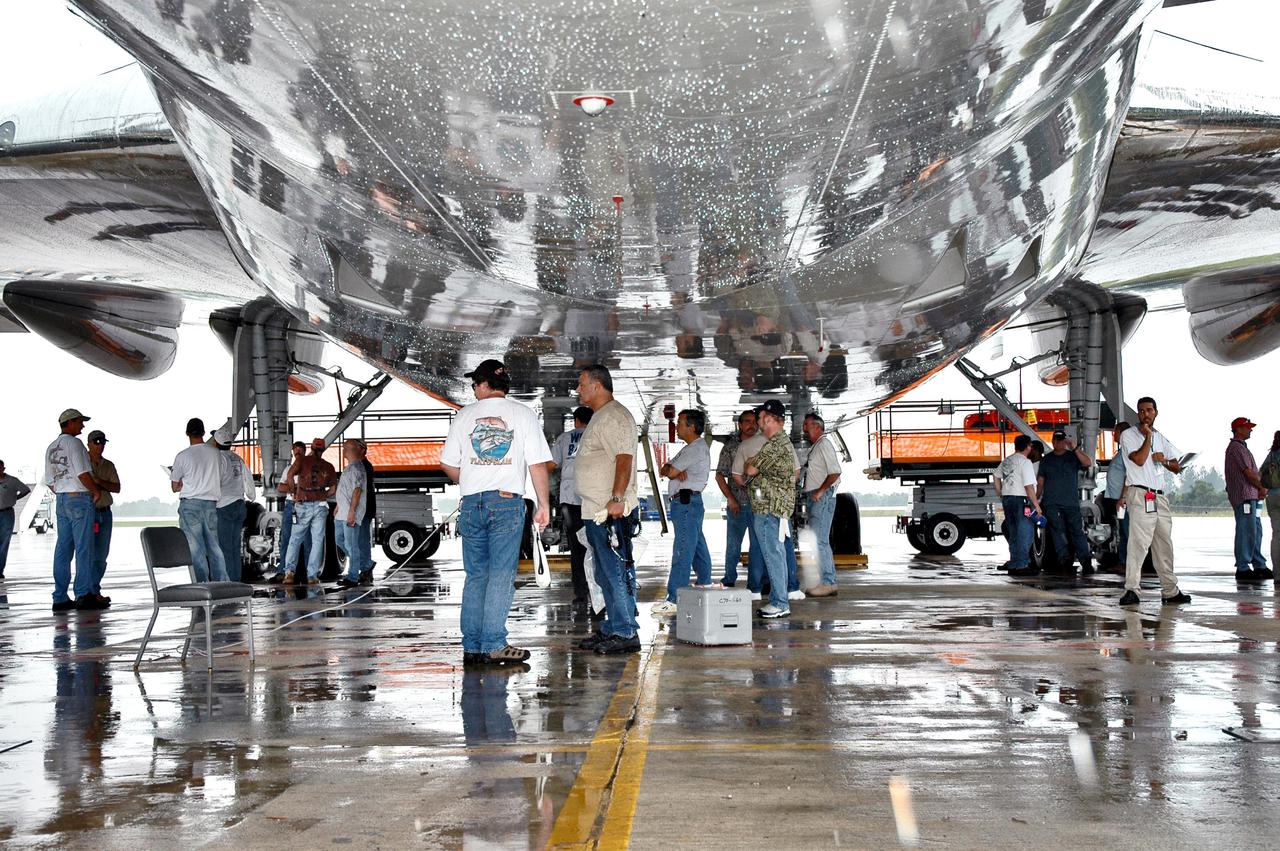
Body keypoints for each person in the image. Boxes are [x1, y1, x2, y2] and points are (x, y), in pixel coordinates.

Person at [441, 359, 552, 666]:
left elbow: (449, 464)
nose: (473, 388)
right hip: (506, 503)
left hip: (472, 503)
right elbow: (537, 464)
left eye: (475, 383)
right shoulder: (523, 414)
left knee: (476, 575)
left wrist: (475, 479)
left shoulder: (464, 416)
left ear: (486, 384)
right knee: (501, 575)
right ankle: (494, 643)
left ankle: (473, 646)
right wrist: (543, 505)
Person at [573, 363, 642, 655]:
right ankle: (614, 626)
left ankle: (626, 632)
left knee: (615, 572)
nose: (578, 389)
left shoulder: (614, 416)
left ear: (597, 385)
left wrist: (617, 498)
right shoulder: (601, 417)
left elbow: (624, 460)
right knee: (603, 574)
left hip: (609, 511)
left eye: (582, 383)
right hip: (595, 510)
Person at [1118, 396, 1190, 607]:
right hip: (1140, 494)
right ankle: (1132, 589)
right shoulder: (1128, 435)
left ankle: (1170, 590)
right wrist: (1148, 438)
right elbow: (1139, 460)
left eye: (1149, 410)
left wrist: (1165, 461)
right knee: (1138, 544)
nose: (1145, 414)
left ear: (1156, 412)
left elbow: (1178, 467)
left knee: (1163, 544)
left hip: (1159, 496)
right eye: (1141, 411)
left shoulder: (1161, 437)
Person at [653, 409, 713, 616]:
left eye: (680, 423)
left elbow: (668, 472)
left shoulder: (694, 449)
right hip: (688, 503)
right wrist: (671, 470)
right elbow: (665, 470)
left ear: (691, 427)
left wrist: (672, 470)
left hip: (686, 503)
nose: (676, 427)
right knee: (697, 548)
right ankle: (705, 585)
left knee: (682, 551)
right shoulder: (690, 449)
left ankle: (674, 598)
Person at [46, 409, 104, 611]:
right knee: (83, 548)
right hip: (78, 499)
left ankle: (60, 596)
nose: (82, 425)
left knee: (63, 549)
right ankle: (83, 594)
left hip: (61, 499)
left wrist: (64, 492)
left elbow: (50, 482)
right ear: (69, 423)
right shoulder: (75, 444)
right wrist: (94, 491)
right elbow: (82, 473)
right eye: (80, 422)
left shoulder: (51, 447)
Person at [745, 400, 798, 618]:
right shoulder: (779, 443)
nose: (758, 422)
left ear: (768, 418)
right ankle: (779, 601)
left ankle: (779, 602)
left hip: (769, 509)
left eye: (759, 418)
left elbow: (749, 468)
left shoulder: (775, 444)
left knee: (773, 555)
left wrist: (753, 463)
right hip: (772, 508)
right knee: (776, 554)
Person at [171, 417, 229, 583]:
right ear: (204, 433)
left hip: (191, 506)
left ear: (187, 433)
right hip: (211, 505)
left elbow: (175, 486)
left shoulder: (182, 456)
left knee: (195, 549)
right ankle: (221, 583)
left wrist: (185, 482)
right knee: (214, 547)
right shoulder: (216, 454)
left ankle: (201, 584)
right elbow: (221, 478)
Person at [547, 405, 593, 605]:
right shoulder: (597, 435)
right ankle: (598, 590)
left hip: (570, 498)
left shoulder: (565, 438)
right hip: (593, 497)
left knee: (576, 547)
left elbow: (550, 464)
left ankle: (581, 592)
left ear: (576, 421)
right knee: (597, 544)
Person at [715, 409, 763, 590]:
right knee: (733, 544)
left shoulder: (763, 444)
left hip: (759, 505)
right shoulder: (730, 447)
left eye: (754, 422)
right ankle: (729, 577)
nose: (752, 425)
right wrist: (731, 499)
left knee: (757, 546)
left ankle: (757, 582)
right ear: (740, 425)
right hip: (738, 504)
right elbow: (720, 476)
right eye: (747, 422)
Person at [1037, 429, 1095, 575]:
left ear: (1065, 441)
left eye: (1061, 440)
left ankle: (1086, 562)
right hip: (1052, 503)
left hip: (1071, 503)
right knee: (1058, 532)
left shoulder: (1073, 456)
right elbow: (1041, 481)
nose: (1059, 443)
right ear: (1052, 441)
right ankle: (1064, 561)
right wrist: (1036, 500)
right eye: (1056, 440)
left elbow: (1088, 462)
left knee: (1077, 532)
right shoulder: (1046, 460)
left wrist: (1074, 448)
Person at [281, 438, 337, 586]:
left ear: (311, 447)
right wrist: (322, 495)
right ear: (323, 449)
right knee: (317, 541)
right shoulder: (328, 466)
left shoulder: (301, 461)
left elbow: (289, 475)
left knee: (295, 539)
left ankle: (289, 573)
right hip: (320, 505)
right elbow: (333, 489)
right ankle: (312, 575)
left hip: (302, 504)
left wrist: (294, 492)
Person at [1224, 416, 1271, 581]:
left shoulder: (1243, 447)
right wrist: (1261, 486)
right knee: (1246, 530)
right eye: (1247, 427)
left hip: (1252, 496)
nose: (1250, 430)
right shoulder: (1236, 448)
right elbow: (1248, 473)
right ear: (1238, 429)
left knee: (1256, 530)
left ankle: (1258, 564)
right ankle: (1243, 567)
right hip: (1244, 496)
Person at [801, 412, 841, 597]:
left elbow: (835, 473)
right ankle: (827, 581)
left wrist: (820, 490)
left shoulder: (824, 445)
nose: (804, 428)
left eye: (807, 425)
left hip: (821, 498)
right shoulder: (816, 446)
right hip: (816, 497)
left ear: (817, 427)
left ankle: (828, 582)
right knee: (818, 541)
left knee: (820, 541)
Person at [993, 434, 1042, 577]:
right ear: (1028, 446)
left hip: (1008, 499)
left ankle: (1014, 563)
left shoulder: (1008, 460)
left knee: (1013, 532)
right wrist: (1036, 506)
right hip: (1021, 500)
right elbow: (1028, 486)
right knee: (1025, 532)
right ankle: (1021, 565)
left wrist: (1000, 492)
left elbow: (996, 476)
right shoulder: (1025, 462)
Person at [212, 423, 256, 582]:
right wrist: (251, 496)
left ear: (216, 443)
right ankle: (236, 579)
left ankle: (227, 582)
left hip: (224, 506)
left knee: (224, 548)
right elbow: (248, 481)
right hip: (239, 504)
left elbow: (214, 482)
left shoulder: (217, 459)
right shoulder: (238, 459)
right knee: (235, 546)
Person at [86, 430, 120, 603]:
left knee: (101, 555)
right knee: (86, 554)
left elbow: (117, 487)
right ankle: (85, 592)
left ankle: (94, 589)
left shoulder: (109, 465)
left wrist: (99, 482)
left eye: (102, 442)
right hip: (88, 513)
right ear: (89, 443)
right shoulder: (82, 463)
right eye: (96, 441)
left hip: (105, 512)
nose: (100, 445)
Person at [335, 438, 371, 588]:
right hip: (341, 512)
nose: (344, 450)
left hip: (349, 514)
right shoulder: (350, 467)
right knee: (340, 540)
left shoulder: (357, 468)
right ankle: (365, 564)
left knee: (351, 544)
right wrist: (338, 505)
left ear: (356, 450)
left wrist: (352, 512)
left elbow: (357, 491)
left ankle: (353, 576)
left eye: (347, 448)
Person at [1096, 422, 1131, 573]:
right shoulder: (1122, 452)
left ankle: (1126, 563)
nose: (1113, 435)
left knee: (1127, 532)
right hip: (1117, 499)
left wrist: (1123, 497)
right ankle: (1123, 562)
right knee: (1122, 531)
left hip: (1123, 500)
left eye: (1115, 432)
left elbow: (1129, 476)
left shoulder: (1128, 453)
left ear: (1122, 433)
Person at [275, 441, 308, 580]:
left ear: (305, 451)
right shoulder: (288, 469)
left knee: (307, 539)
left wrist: (291, 487)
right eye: (295, 451)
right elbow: (280, 488)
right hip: (290, 504)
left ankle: (308, 572)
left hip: (305, 504)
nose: (297, 453)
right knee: (286, 538)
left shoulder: (309, 468)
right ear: (293, 452)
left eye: (300, 451)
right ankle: (283, 569)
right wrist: (296, 488)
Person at [0, 458, 32, 579]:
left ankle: (0, 570)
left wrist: (14, 499)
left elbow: (25, 490)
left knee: (3, 543)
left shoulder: (12, 481)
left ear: (3, 468)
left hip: (6, 514)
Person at [358, 448, 377, 583]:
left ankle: (366, 566)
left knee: (362, 540)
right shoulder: (366, 466)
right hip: (365, 508)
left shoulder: (362, 467)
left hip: (363, 508)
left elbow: (358, 489)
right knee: (362, 540)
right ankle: (365, 566)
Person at [1262, 431, 1280, 573]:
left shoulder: (1272, 455)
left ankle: (1277, 575)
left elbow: (1260, 473)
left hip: (1272, 497)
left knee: (1276, 536)